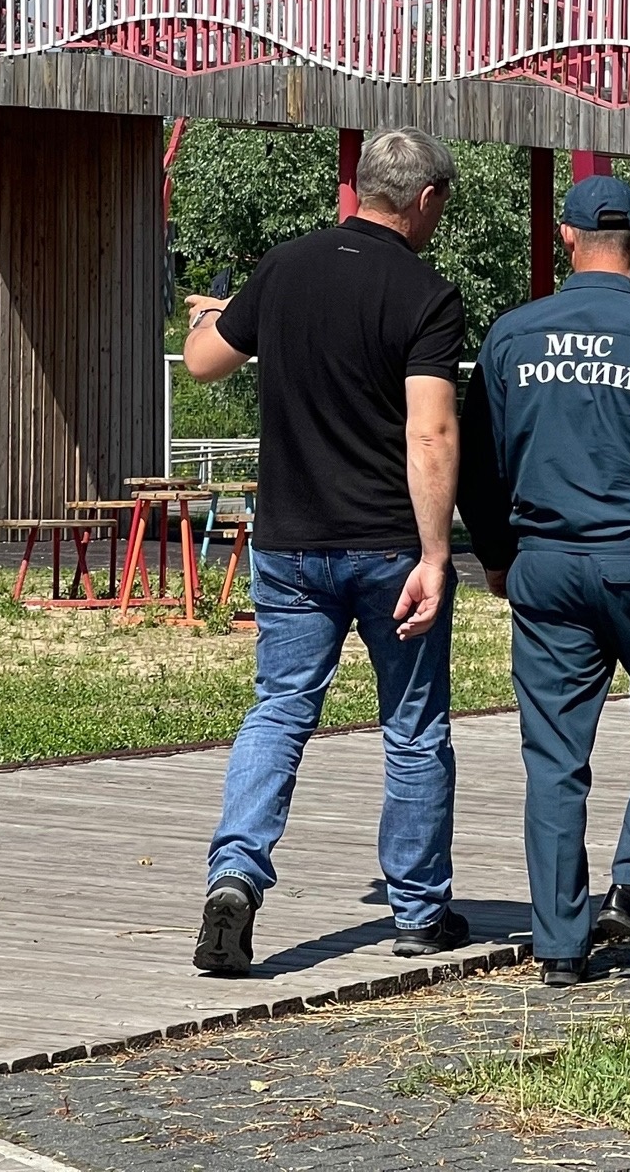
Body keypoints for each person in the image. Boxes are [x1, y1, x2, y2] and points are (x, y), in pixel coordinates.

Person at [183, 127, 471, 977]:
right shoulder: (426, 293)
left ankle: (235, 875)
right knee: (413, 728)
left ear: (358, 189)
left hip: (292, 544)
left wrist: (215, 315)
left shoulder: (284, 267)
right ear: (423, 200)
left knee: (279, 710)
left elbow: (203, 364)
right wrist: (435, 552)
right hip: (388, 546)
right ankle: (419, 912)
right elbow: (430, 431)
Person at [460, 172, 630, 988]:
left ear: (568, 239)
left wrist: (496, 554)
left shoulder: (513, 335)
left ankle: (557, 948)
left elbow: (479, 462)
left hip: (544, 566)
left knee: (553, 757)